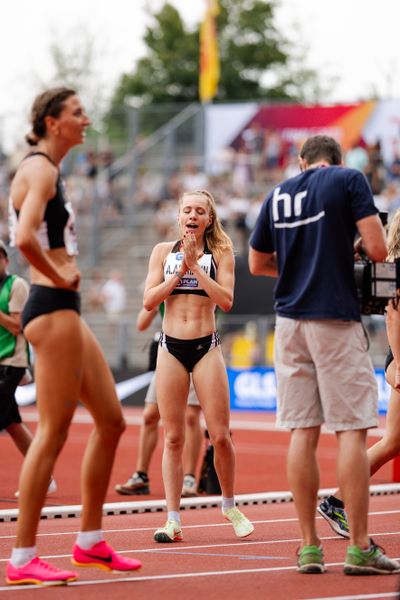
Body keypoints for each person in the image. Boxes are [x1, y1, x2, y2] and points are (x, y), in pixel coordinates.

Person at [5, 87, 142, 586]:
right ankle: (22, 559)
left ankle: (89, 541)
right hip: (51, 307)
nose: (86, 120)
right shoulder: (38, 169)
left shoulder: (53, 171)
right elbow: (22, 238)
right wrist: (58, 275)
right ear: (51, 121)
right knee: (53, 433)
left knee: (111, 421)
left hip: (67, 309)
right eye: (77, 113)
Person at [248, 135, 400, 575]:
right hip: (333, 316)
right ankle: (358, 547)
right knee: (351, 432)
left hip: (289, 321)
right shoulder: (348, 179)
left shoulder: (277, 194)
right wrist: (339, 258)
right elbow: (375, 249)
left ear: (301, 162)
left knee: (302, 433)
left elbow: (258, 264)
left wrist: (299, 266)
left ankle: (309, 547)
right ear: (335, 160)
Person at [143, 188, 254, 543]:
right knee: (173, 436)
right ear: (178, 216)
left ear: (209, 219)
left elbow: (227, 301)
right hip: (170, 347)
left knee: (220, 435)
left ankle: (229, 505)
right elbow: (148, 301)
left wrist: (195, 267)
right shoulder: (162, 252)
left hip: (207, 347)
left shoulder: (221, 252)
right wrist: (178, 274)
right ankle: (172, 518)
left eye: (199, 211)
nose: (192, 215)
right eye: (187, 210)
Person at [318, 207, 400, 538]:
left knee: (393, 441)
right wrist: (399, 364)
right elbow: (393, 316)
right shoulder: (396, 267)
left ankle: (336, 501)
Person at [115, 306, 203, 498]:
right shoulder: (165, 278)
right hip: (170, 351)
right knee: (149, 416)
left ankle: (189, 478)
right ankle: (141, 476)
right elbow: (141, 323)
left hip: (200, 349)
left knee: (190, 417)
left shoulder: (205, 275)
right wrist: (160, 294)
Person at [0, 240, 57, 497]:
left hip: (10, 362)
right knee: (12, 424)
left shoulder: (16, 285)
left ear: (6, 261)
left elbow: (15, 326)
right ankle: (43, 476)